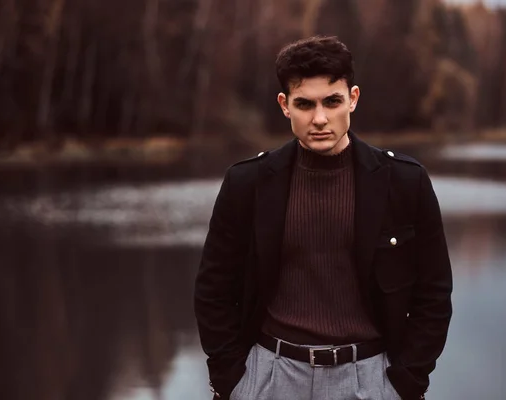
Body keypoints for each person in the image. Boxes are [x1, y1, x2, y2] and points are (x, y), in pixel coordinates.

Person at [194, 36, 453, 400]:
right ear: (285, 105)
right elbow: (213, 290)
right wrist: (233, 380)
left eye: (332, 101)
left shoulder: (405, 182)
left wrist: (406, 383)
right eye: (304, 104)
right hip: (270, 376)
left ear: (353, 98)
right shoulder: (246, 183)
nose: (319, 118)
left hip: (371, 379)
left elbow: (434, 294)